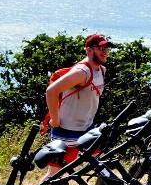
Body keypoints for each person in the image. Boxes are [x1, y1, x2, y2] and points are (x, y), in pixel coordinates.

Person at [42, 33, 110, 166]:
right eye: (101, 48)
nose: (105, 51)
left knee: (104, 164)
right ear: (89, 50)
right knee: (54, 176)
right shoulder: (81, 72)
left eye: (106, 48)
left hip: (87, 128)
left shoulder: (101, 70)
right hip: (66, 132)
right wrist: (54, 119)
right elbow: (51, 91)